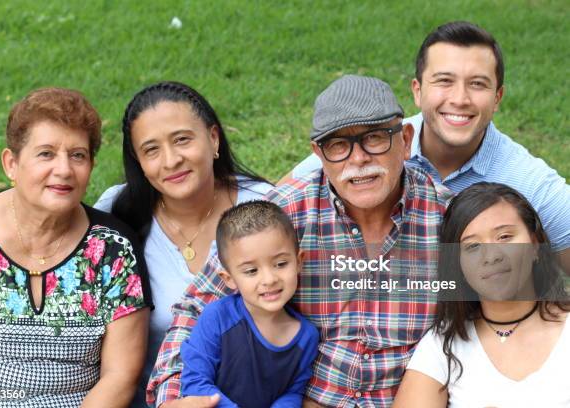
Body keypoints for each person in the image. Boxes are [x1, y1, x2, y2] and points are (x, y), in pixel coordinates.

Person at [147, 75, 452, 407]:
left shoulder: (450, 220)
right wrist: (173, 397)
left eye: (375, 138)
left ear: (406, 140)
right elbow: (195, 308)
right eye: (338, 145)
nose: (359, 159)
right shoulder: (285, 214)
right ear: (318, 153)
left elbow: (509, 316)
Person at [284, 21, 570, 262]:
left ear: (497, 98)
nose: (460, 99)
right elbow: (272, 206)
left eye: (478, 84)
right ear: (417, 91)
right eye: (444, 81)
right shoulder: (375, 143)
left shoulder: (529, 181)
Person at [0, 88, 152, 407]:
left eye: (77, 155)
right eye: (46, 153)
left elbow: (120, 376)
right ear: (11, 163)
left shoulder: (113, 249)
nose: (63, 170)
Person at [94, 81, 272, 407]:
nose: (171, 160)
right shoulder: (117, 213)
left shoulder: (265, 208)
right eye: (151, 150)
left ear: (213, 138)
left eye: (182, 140)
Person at [393, 182, 570, 407]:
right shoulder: (443, 345)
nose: (491, 256)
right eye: (472, 247)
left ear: (535, 245)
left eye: (505, 237)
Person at [180, 200, 319, 407]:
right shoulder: (217, 318)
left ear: (298, 261)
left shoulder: (306, 336)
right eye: (251, 271)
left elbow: (292, 390)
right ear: (229, 279)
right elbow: (195, 382)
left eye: (281, 264)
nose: (269, 279)